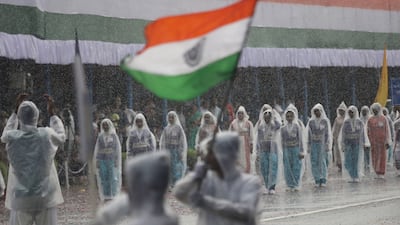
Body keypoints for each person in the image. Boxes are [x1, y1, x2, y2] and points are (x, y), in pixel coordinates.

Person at [1, 94, 66, 225]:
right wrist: (53, 115)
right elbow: (61, 137)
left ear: (20, 118)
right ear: (37, 116)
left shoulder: (13, 137)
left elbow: (4, 135)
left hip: (21, 198)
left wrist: (14, 113)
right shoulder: (45, 135)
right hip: (44, 196)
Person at [173, 131, 262, 225]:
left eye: (212, 153)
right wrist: (194, 176)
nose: (208, 157)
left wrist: (206, 202)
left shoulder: (249, 182)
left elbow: (246, 212)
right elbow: (179, 193)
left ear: (225, 155)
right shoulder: (207, 179)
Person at [93, 118, 122, 202]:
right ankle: (106, 195)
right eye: (103, 125)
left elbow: (117, 149)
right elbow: (98, 149)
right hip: (102, 160)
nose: (105, 126)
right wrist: (97, 160)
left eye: (106, 125)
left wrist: (117, 159)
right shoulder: (100, 137)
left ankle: (114, 194)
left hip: (111, 159)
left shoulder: (114, 136)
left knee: (112, 177)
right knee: (104, 177)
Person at [254, 109, 281, 194]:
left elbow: (279, 125)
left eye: (269, 117)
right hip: (263, 149)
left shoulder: (274, 125)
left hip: (273, 149)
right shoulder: (261, 127)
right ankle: (266, 186)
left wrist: (274, 114)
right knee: (264, 168)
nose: (267, 119)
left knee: (272, 167)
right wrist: (258, 151)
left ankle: (272, 186)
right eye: (265, 117)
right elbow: (258, 139)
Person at [306, 103, 332, 187]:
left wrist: (327, 144)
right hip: (314, 144)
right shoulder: (311, 122)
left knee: (323, 161)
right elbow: (309, 135)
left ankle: (323, 178)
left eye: (318, 111)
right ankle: (317, 179)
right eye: (315, 111)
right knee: (314, 161)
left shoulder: (325, 121)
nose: (317, 113)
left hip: (322, 144)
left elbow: (327, 134)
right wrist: (309, 146)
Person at [159, 111, 188, 186]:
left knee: (176, 167)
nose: (171, 119)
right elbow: (163, 141)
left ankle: (177, 183)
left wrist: (181, 152)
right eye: (169, 117)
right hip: (168, 150)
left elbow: (181, 141)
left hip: (176, 151)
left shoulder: (179, 129)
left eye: (172, 117)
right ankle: (169, 183)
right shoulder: (166, 129)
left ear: (175, 118)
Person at [281, 104, 305, 191]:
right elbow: (281, 140)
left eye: (291, 116)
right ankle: (289, 184)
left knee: (296, 166)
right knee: (287, 167)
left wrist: (301, 151)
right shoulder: (283, 128)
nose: (289, 118)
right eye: (287, 116)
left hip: (295, 148)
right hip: (286, 149)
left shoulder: (297, 126)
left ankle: (296, 183)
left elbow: (300, 139)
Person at [339, 106, 365, 183]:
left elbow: (362, 133)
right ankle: (351, 175)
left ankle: (356, 176)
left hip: (357, 144)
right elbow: (343, 134)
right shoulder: (346, 122)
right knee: (347, 161)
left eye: (352, 112)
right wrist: (342, 144)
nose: (351, 114)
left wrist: (363, 142)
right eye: (349, 112)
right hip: (348, 144)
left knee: (356, 160)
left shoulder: (359, 122)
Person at [367, 103, 391, 179]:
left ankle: (382, 172)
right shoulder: (370, 120)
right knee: (374, 157)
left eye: (376, 110)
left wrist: (387, 141)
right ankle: (376, 171)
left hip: (382, 142)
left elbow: (387, 130)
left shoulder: (384, 119)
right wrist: (368, 141)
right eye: (373, 110)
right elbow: (368, 131)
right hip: (373, 143)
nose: (375, 111)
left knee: (382, 157)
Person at [229, 106, 254, 173]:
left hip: (246, 145)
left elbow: (251, 135)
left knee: (246, 160)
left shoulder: (248, 123)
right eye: (239, 113)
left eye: (242, 113)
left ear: (244, 114)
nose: (240, 115)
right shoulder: (233, 124)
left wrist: (251, 144)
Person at [332, 102, 347, 172]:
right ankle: (340, 165)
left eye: (342, 111)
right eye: (340, 110)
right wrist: (334, 137)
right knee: (338, 152)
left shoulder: (347, 119)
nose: (341, 112)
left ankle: (346, 164)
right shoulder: (337, 119)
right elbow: (334, 129)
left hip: (345, 138)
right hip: (337, 138)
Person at [359, 105, 372, 173]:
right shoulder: (359, 119)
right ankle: (364, 163)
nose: (364, 112)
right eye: (363, 111)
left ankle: (369, 163)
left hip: (369, 138)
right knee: (363, 151)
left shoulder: (370, 119)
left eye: (365, 111)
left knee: (368, 152)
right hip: (362, 138)